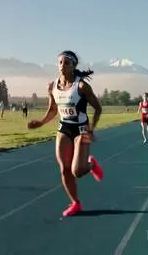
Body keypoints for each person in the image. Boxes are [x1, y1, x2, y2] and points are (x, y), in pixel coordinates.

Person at [27, 50, 104, 217]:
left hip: (81, 129)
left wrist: (91, 128)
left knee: (78, 171)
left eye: (67, 63)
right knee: (64, 169)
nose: (62, 66)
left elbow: (98, 108)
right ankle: (75, 203)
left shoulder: (82, 86)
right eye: (60, 62)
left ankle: (90, 165)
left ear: (74, 65)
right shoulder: (52, 86)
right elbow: (53, 110)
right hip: (64, 128)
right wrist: (40, 122)